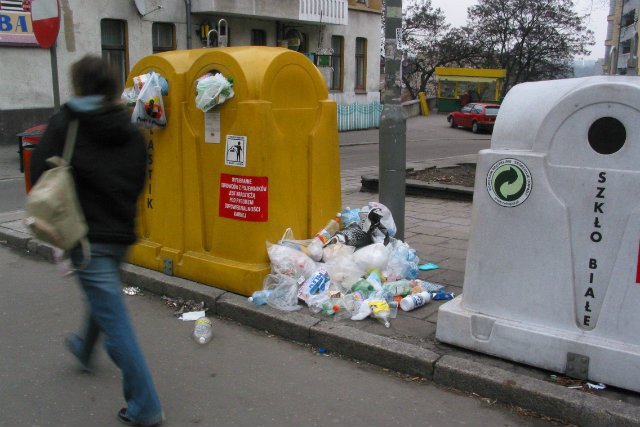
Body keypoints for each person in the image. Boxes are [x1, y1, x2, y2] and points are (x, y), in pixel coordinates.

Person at [30, 55, 164, 427]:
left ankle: (145, 406)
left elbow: (39, 168)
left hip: (85, 234)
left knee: (115, 321)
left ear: (79, 85)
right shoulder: (128, 126)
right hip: (120, 233)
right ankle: (84, 347)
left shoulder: (67, 122)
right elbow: (140, 173)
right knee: (103, 296)